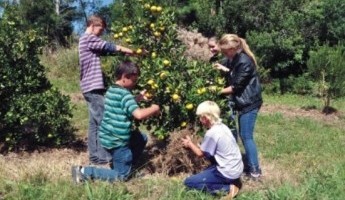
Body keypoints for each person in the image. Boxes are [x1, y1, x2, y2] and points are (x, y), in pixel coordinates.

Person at [72, 61, 160, 183]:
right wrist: (154, 108)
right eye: (134, 81)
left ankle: (128, 166)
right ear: (125, 77)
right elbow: (139, 115)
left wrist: (138, 98)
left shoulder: (112, 90)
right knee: (122, 176)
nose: (135, 84)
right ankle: (84, 172)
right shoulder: (125, 95)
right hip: (117, 140)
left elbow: (122, 104)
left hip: (108, 135)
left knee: (141, 138)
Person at [79, 15, 137, 165]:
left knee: (94, 124)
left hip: (89, 87)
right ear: (92, 25)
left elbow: (106, 51)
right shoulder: (88, 38)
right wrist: (129, 50)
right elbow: (108, 47)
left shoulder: (87, 41)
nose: (101, 33)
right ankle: (106, 156)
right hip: (92, 86)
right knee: (104, 121)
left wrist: (121, 52)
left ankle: (95, 157)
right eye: (100, 29)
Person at [217, 34, 263, 180]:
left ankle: (255, 171)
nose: (224, 53)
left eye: (226, 50)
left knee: (246, 136)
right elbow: (232, 71)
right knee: (241, 134)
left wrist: (213, 90)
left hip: (249, 102)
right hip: (241, 101)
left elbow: (235, 86)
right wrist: (223, 69)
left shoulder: (244, 61)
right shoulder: (233, 58)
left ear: (234, 48)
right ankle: (246, 166)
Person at [181, 101, 243, 199]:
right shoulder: (223, 126)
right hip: (236, 168)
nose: (200, 120)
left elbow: (200, 154)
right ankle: (233, 180)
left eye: (200, 117)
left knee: (189, 182)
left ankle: (228, 188)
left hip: (227, 171)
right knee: (203, 174)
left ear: (206, 118)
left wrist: (189, 144)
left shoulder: (212, 133)